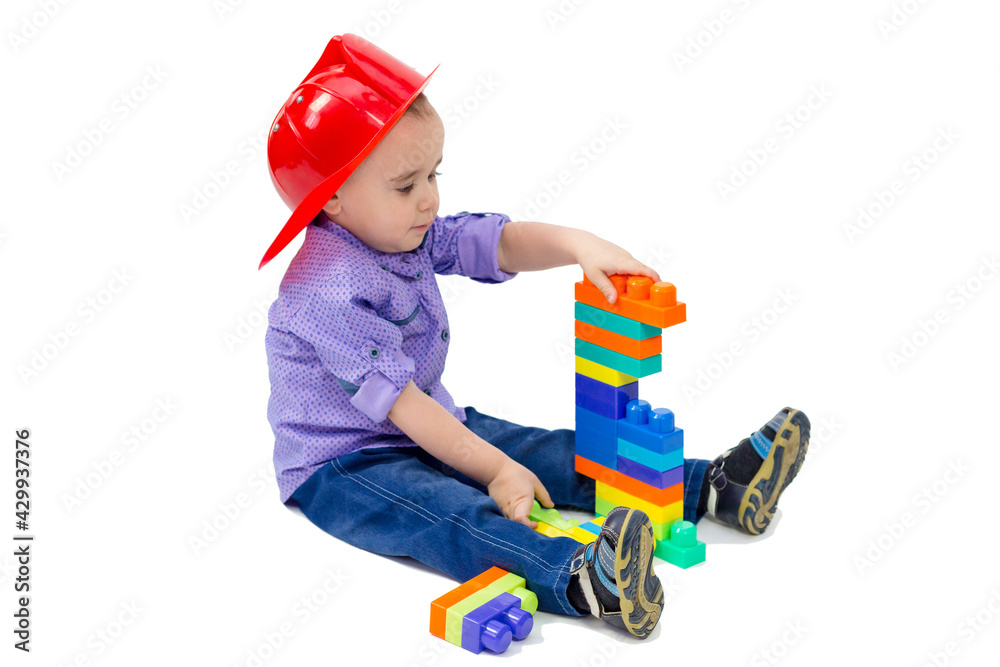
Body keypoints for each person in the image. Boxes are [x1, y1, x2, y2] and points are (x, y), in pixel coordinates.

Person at [261, 34, 810, 640]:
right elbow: (405, 408)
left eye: (434, 174)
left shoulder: (398, 232)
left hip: (432, 420)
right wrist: (497, 470)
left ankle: (716, 486)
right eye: (406, 185)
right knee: (448, 515)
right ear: (334, 198)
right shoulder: (326, 291)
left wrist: (578, 244)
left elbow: (494, 243)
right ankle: (585, 581)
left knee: (547, 451)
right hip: (344, 463)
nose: (430, 199)